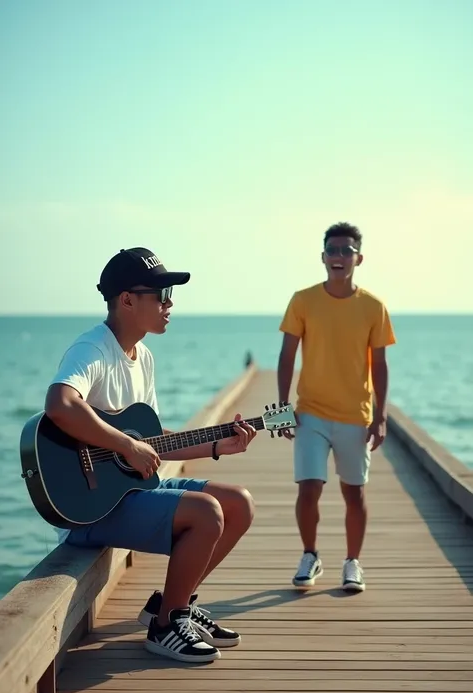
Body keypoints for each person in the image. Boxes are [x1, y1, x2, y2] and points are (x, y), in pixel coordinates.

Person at [44, 247, 257, 664]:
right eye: (160, 294)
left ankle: (174, 606)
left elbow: (155, 440)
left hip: (133, 492)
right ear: (126, 300)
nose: (169, 302)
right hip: (92, 508)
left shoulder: (145, 358)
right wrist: (124, 445)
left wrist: (219, 444)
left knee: (239, 504)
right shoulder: (92, 349)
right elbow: (60, 404)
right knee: (206, 512)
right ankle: (164, 627)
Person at [277, 223, 396, 592]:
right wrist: (282, 407)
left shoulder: (373, 307)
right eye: (333, 250)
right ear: (323, 257)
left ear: (358, 258)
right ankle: (310, 555)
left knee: (353, 492)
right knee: (308, 487)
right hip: (311, 411)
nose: (339, 257)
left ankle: (353, 562)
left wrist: (380, 416)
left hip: (355, 416)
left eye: (347, 251)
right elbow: (286, 355)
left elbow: (379, 364)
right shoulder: (303, 300)